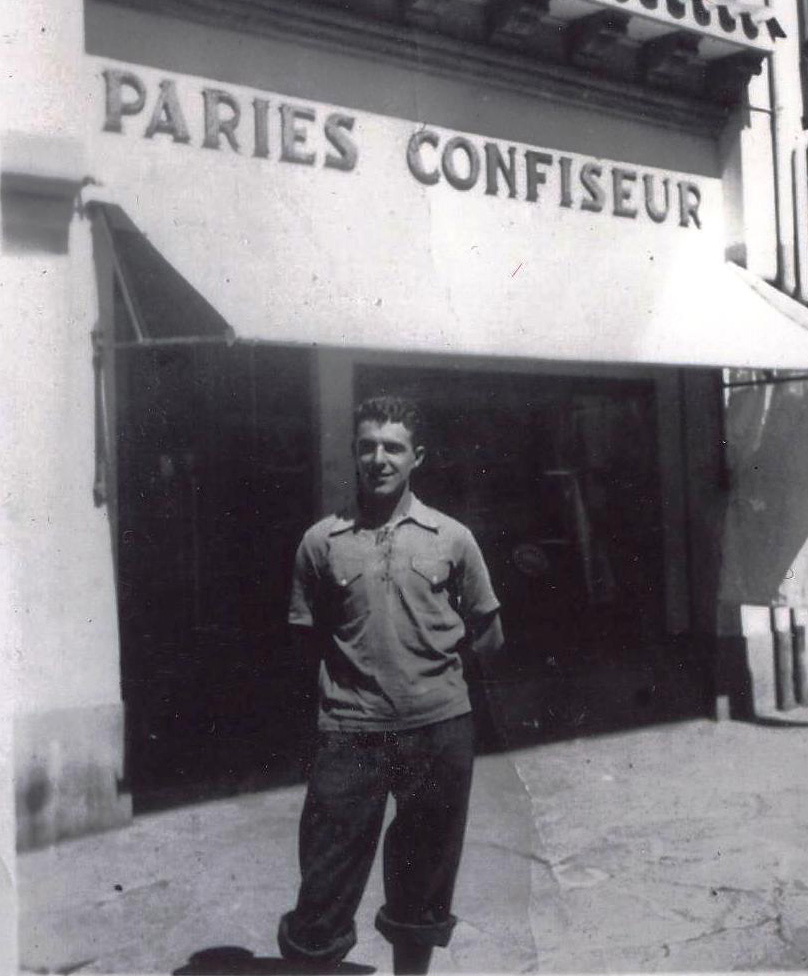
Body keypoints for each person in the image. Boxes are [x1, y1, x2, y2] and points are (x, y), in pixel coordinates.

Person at [278, 395, 504, 975]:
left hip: (439, 732)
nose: (379, 458)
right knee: (325, 883)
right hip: (351, 734)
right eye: (367, 446)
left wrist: (433, 683)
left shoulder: (451, 538)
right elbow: (304, 639)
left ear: (416, 457)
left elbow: (487, 632)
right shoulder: (321, 542)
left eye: (393, 447)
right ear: (355, 453)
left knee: (423, 879)